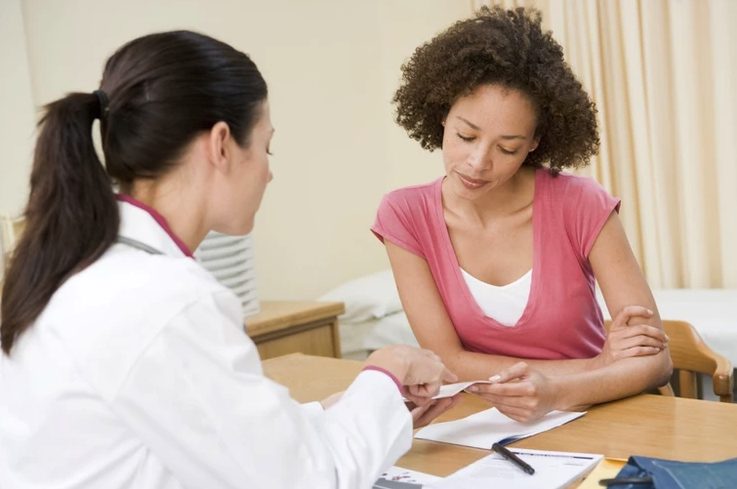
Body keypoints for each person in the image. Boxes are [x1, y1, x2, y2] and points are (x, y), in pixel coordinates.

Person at [0, 31, 458, 489]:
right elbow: (310, 479)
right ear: (221, 144)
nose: (269, 170)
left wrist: (348, 409)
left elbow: (217, 437)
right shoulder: (165, 300)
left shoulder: (86, 266)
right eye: (265, 146)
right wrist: (389, 367)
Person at [371, 7, 673, 423]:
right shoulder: (404, 215)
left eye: (507, 147)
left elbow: (656, 363)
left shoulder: (580, 204)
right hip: (492, 424)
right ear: (442, 114)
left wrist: (557, 393)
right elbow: (447, 360)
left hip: (605, 415)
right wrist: (598, 365)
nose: (478, 162)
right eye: (465, 136)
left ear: (534, 143)